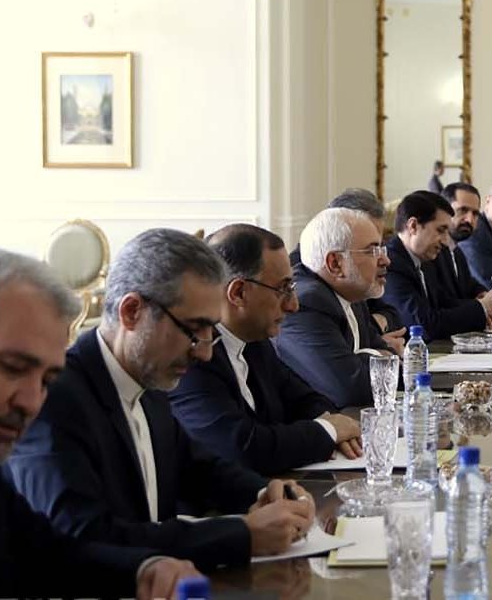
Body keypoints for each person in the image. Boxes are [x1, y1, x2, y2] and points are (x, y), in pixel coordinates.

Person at [5, 230, 316, 570]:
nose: (206, 352)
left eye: (211, 330)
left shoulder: (149, 379)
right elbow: (84, 536)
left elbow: (199, 468)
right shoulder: (56, 400)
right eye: (193, 330)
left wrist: (267, 493)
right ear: (132, 312)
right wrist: (242, 535)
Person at [0, 247, 199, 598]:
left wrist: (144, 569)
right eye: (13, 368)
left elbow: (47, 553)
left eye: (47, 380)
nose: (31, 402)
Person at [168, 224, 362, 474]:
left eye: (292, 289)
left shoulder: (255, 341)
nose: (293, 305)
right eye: (283, 289)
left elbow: (305, 398)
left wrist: (335, 425)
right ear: (238, 293)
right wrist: (330, 430)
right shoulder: (194, 355)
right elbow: (243, 449)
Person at [275, 208, 400, 408]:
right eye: (372, 251)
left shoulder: (353, 292)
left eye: (382, 249)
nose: (385, 260)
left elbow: (391, 357)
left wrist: (367, 358)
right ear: (335, 264)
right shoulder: (307, 304)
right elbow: (351, 390)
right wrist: (378, 357)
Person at [291, 188, 404, 336]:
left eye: (379, 244)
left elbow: (393, 313)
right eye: (371, 249)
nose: (385, 260)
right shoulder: (307, 292)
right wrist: (375, 340)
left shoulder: (352, 283)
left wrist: (373, 331)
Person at [383, 191, 492, 339]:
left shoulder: (425, 260)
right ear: (413, 226)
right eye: (440, 230)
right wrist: (482, 306)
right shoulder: (390, 264)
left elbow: (444, 304)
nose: (445, 240)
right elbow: (423, 326)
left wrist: (482, 310)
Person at [433, 181, 492, 321]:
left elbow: (469, 285)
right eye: (462, 210)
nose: (469, 219)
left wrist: (481, 293)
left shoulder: (456, 250)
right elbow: (443, 305)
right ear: (444, 212)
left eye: (475, 213)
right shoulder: (432, 253)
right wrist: (484, 304)